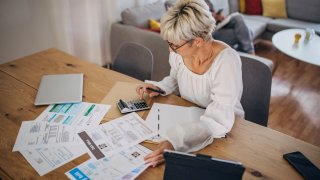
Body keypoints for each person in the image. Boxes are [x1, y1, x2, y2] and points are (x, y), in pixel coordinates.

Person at [136, 0, 244, 167]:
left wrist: (176, 142)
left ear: (198, 41)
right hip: (190, 116)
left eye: (174, 45)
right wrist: (161, 87)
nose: (170, 50)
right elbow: (175, 79)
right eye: (169, 43)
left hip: (223, 130)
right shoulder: (178, 54)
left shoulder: (227, 62)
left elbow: (218, 119)